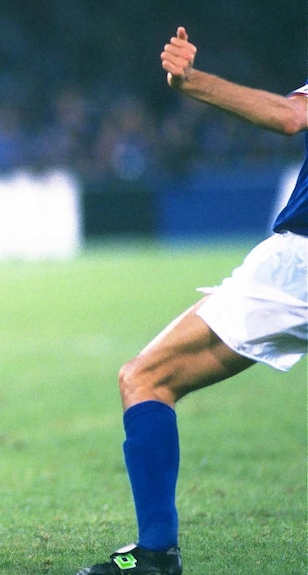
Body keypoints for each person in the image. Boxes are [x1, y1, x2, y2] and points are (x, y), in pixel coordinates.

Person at [76, 26, 307, 575]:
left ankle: (157, 552)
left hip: (298, 270)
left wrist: (191, 81)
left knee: (146, 377)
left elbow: (291, 116)